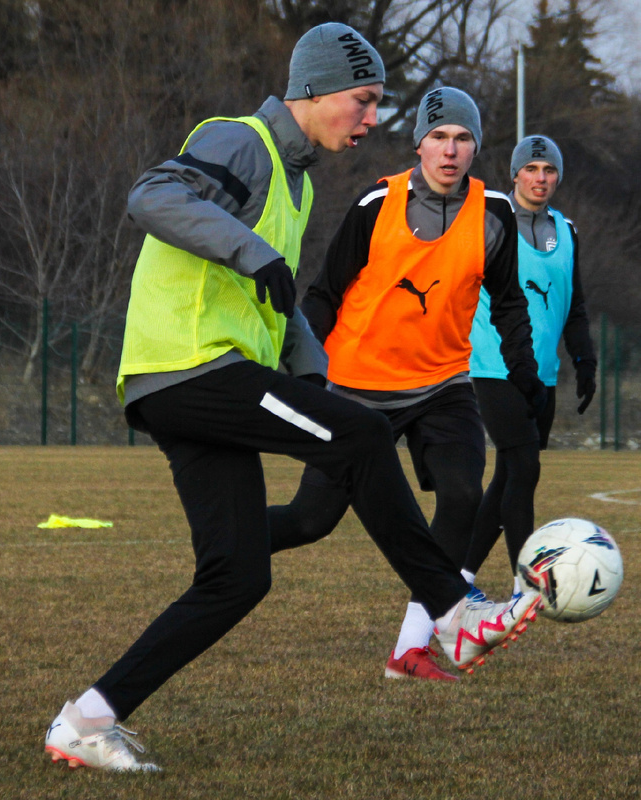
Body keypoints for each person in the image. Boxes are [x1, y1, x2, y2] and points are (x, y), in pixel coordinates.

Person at [43, 26, 539, 772]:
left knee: (238, 578)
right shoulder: (240, 141)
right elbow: (151, 195)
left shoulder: (298, 184)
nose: (372, 118)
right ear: (314, 90)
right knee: (363, 436)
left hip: (198, 382)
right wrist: (253, 252)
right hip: (193, 368)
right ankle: (454, 612)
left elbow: (278, 305)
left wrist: (310, 377)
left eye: (377, 103)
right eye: (363, 100)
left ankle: (87, 719)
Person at [268, 87, 548, 683]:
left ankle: (411, 649)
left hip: (442, 384)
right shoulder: (376, 204)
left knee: (463, 496)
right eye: (439, 136)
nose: (450, 150)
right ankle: (227, 537)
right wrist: (302, 370)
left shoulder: (495, 212)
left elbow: (507, 302)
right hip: (356, 387)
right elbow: (323, 294)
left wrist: (525, 373)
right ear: (419, 142)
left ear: (476, 148)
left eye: (463, 138)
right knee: (310, 521)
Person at [461, 135, 597, 597]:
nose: (541, 178)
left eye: (549, 170)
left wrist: (585, 360)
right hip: (493, 364)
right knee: (524, 468)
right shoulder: (489, 221)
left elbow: (575, 305)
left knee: (509, 476)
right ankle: (527, 584)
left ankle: (460, 577)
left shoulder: (567, 231)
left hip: (543, 374)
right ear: (515, 174)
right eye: (532, 169)